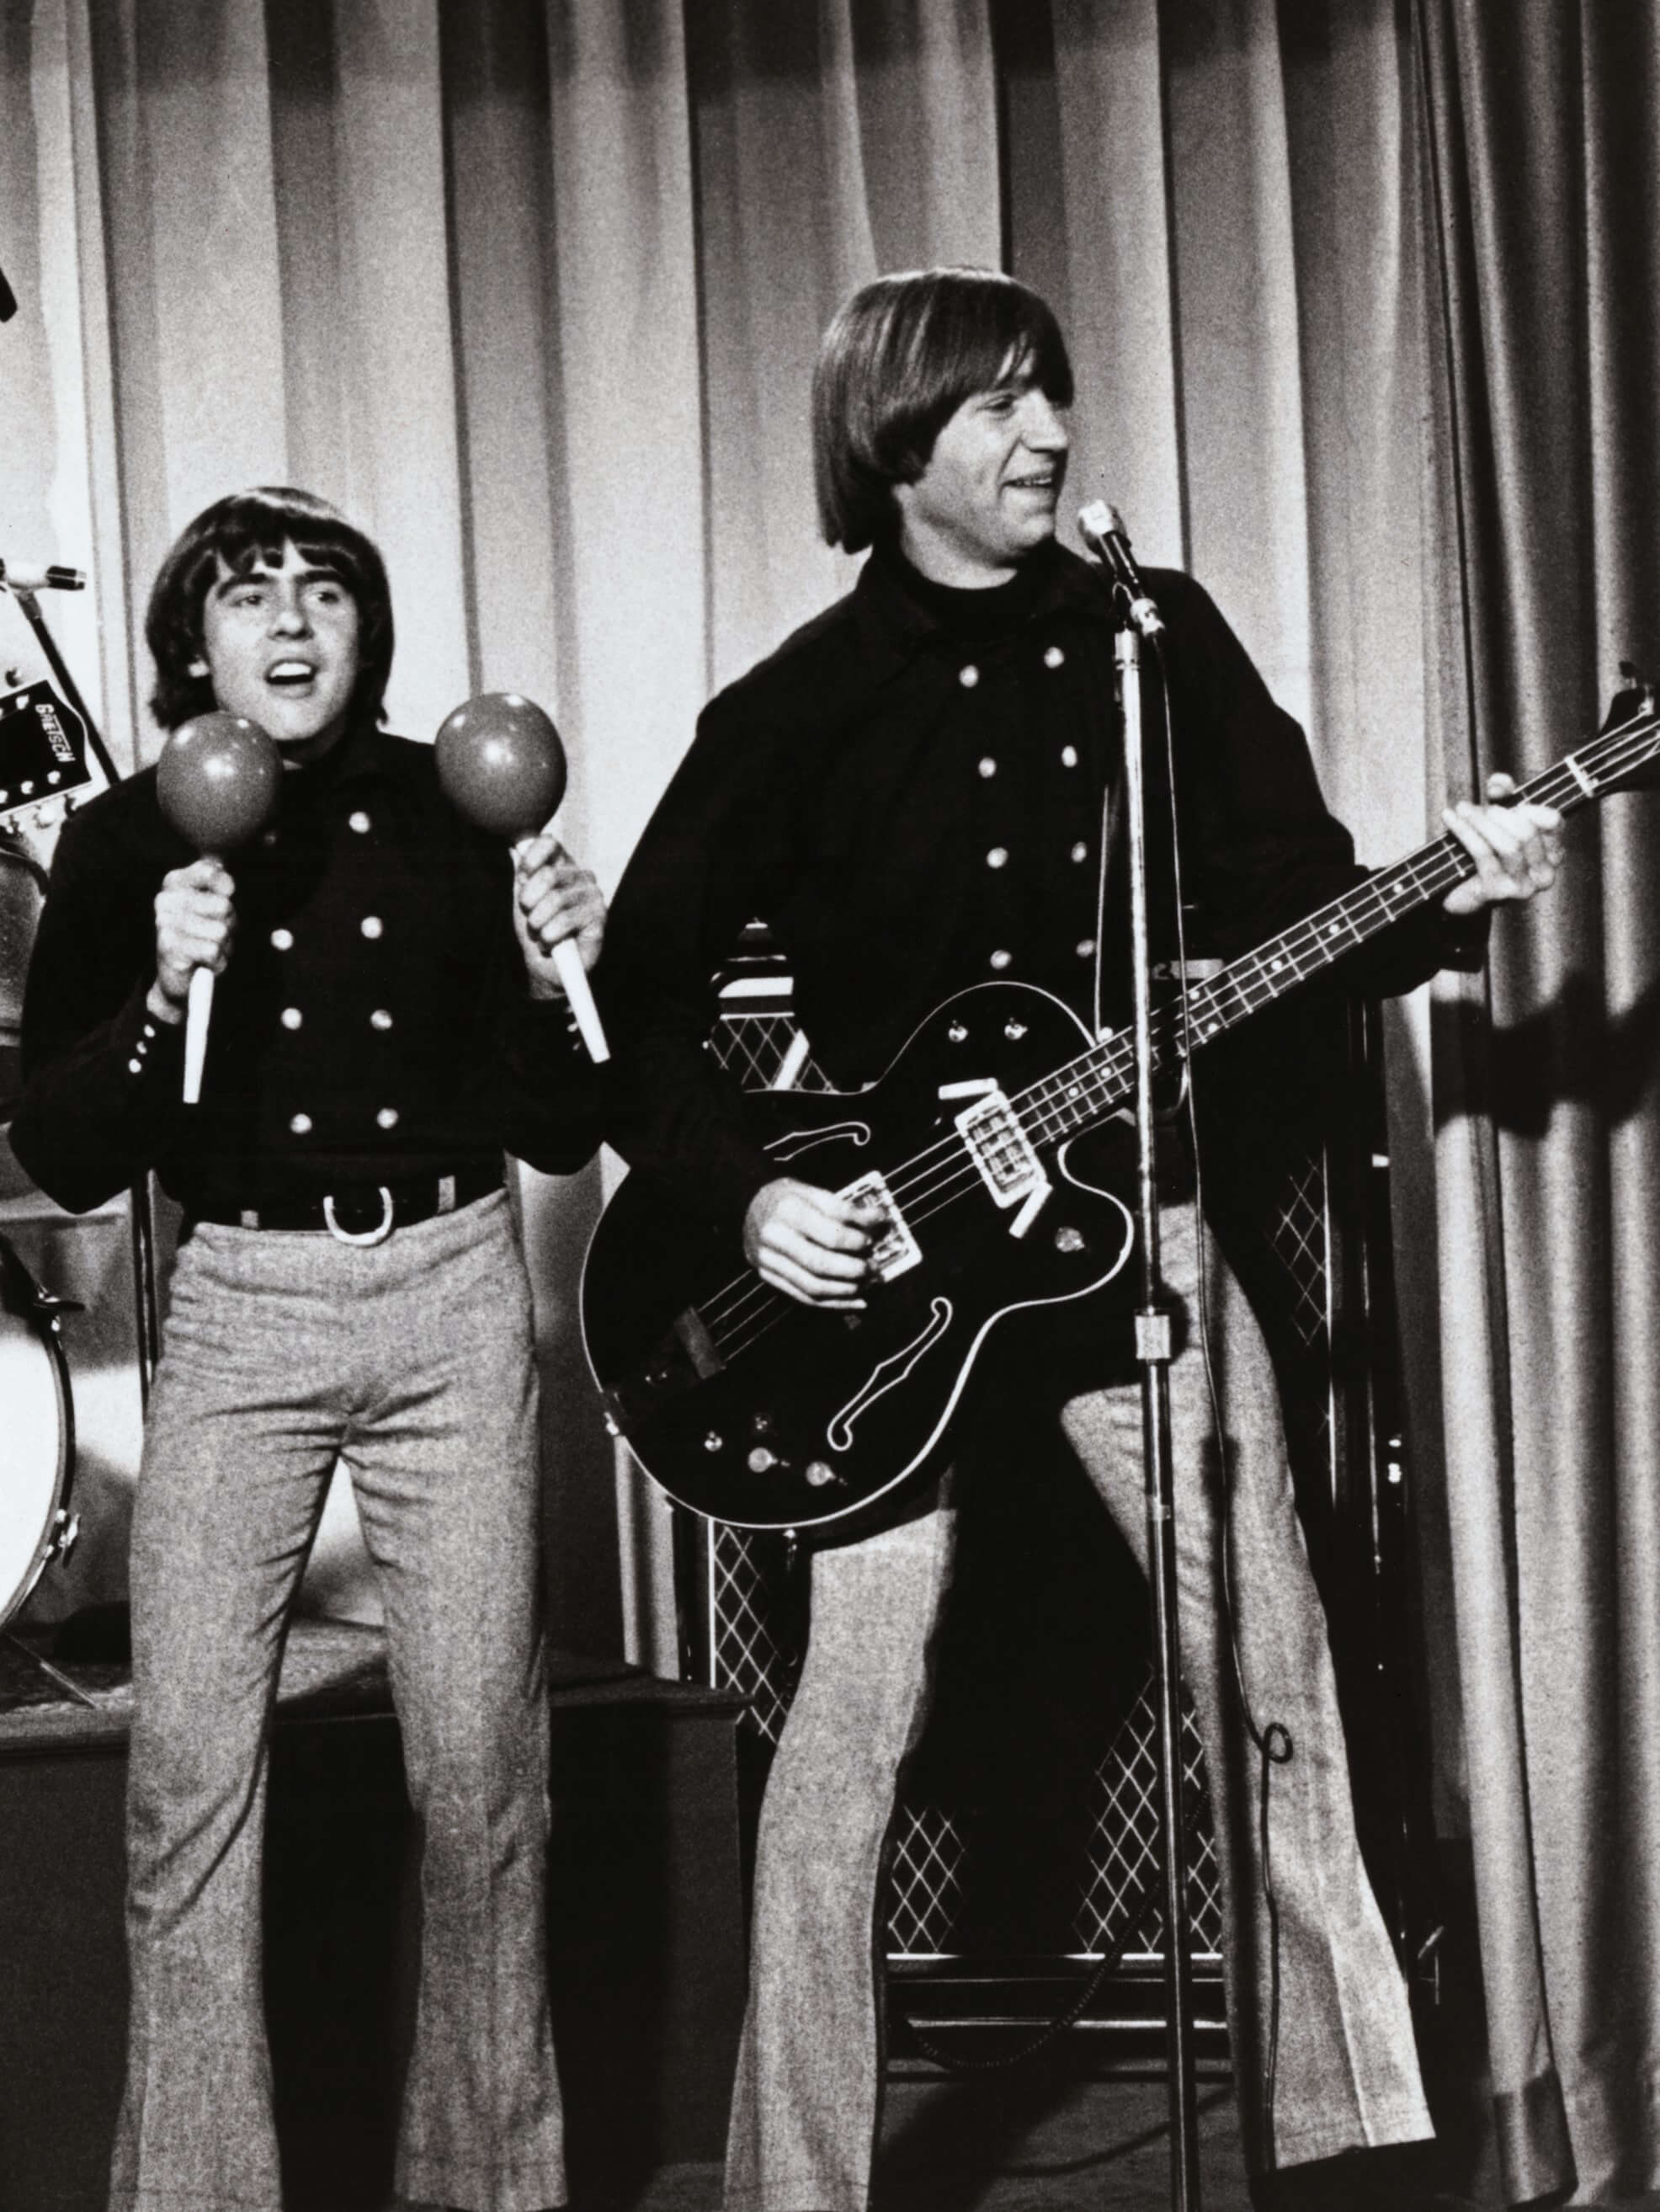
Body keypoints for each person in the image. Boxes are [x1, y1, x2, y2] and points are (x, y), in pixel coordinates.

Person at [599, 267, 1563, 2211]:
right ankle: (796, 2189)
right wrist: (756, 1196)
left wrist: (1457, 887)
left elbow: (1306, 904)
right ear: (895, 444)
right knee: (845, 1745)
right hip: (893, 1293)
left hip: (1142, 1240)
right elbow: (630, 995)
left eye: (1054, 395)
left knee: (1278, 1685)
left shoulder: (1153, 640)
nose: (1048, 433)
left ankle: (1354, 2153)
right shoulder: (794, 709)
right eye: (998, 405)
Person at [8, 486, 605, 2212]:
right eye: (248, 595)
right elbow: (60, 1146)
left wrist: (560, 954)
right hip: (244, 1302)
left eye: (323, 592)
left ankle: (492, 2183)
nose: (288, 625)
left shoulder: (461, 808)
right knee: (188, 1769)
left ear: (370, 626)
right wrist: (155, 989)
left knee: (486, 1769)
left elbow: (563, 1128)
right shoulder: (131, 842)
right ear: (189, 644)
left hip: (449, 1280)